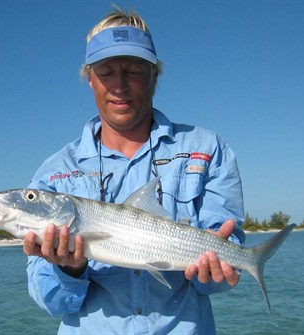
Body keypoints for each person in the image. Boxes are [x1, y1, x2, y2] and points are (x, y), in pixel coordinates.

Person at [23, 7, 245, 334]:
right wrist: (69, 270)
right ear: (89, 79)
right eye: (107, 71)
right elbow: (51, 302)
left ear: (155, 75)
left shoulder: (208, 149)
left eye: (134, 70)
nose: (120, 86)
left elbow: (224, 271)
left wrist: (217, 270)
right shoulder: (55, 172)